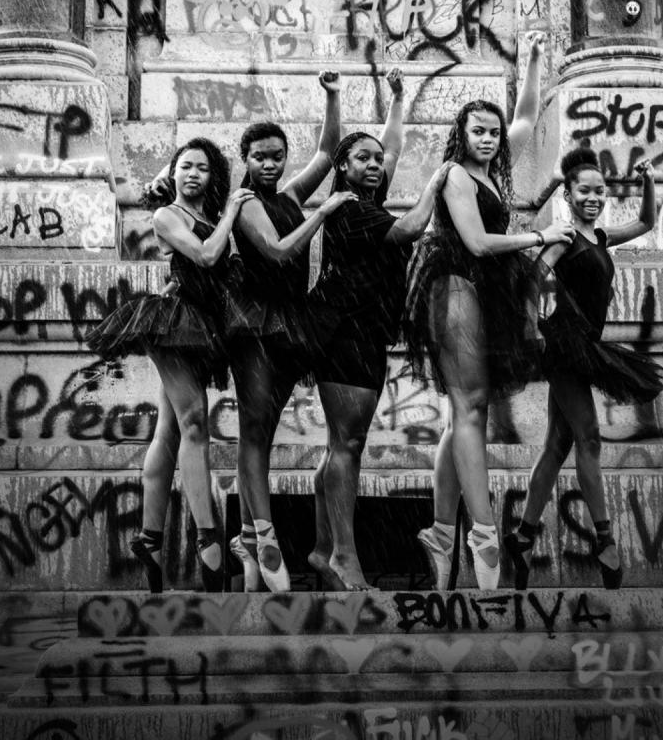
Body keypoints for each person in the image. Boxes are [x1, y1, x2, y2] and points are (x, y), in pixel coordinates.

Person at [405, 32, 574, 591]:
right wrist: (538, 235)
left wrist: (531, 60)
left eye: (492, 131)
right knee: (471, 407)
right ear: (461, 134)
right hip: (454, 285)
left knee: (461, 416)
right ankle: (482, 532)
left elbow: (524, 113)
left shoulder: (492, 161)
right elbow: (477, 242)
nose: (488, 138)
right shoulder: (455, 174)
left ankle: (440, 531)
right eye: (477, 130)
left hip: (484, 294)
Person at [86, 137, 253, 593]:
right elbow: (205, 256)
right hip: (174, 321)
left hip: (206, 326)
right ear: (173, 172)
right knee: (195, 422)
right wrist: (232, 214)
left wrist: (227, 214)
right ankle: (208, 539)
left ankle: (149, 538)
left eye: (202, 167)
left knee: (171, 429)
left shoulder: (210, 217)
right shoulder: (167, 216)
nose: (194, 173)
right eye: (185, 166)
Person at [308, 69, 451, 591]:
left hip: (358, 334)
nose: (374, 164)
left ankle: (324, 551)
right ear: (343, 169)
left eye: (375, 161)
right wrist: (438, 179)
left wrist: (396, 97)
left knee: (339, 446)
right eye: (361, 159)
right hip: (346, 336)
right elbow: (411, 228)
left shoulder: (366, 199)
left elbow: (391, 146)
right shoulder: (351, 211)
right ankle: (345, 557)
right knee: (348, 443)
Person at [503, 147, 663, 591]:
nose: (593, 196)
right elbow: (530, 278)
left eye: (600, 190)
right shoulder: (563, 237)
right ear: (569, 194)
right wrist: (532, 325)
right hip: (564, 346)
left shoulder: (600, 237)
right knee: (589, 437)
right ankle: (605, 541)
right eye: (585, 190)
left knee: (558, 446)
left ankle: (522, 536)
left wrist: (648, 181)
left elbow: (647, 223)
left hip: (586, 346)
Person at [227, 72, 356, 593]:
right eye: (261, 156)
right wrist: (322, 213)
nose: (272, 163)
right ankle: (263, 533)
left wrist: (331, 95)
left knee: (261, 430)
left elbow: (328, 152)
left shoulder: (284, 194)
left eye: (277, 155)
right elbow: (280, 251)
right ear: (246, 158)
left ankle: (246, 536)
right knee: (255, 431)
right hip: (255, 327)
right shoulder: (247, 202)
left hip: (289, 327)